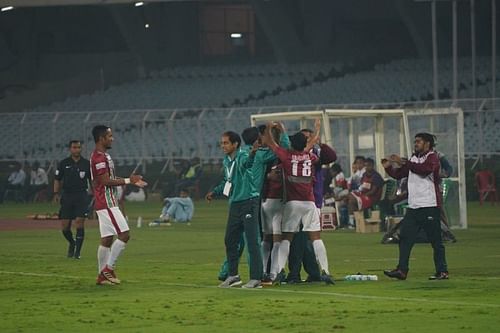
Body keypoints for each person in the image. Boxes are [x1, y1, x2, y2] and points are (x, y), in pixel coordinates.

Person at [262, 121, 335, 285]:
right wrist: (317, 128)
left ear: (291, 144)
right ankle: (326, 271)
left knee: (286, 238)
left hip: (292, 204)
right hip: (310, 203)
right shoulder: (310, 155)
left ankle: (279, 270)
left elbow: (270, 142)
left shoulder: (286, 156)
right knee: (316, 238)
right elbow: (312, 142)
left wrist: (271, 128)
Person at [383, 132, 449, 281]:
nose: (416, 144)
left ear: (427, 144)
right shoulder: (413, 158)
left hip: (429, 205)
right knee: (405, 238)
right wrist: (388, 167)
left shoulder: (433, 157)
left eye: (418, 141)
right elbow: (399, 175)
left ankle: (442, 271)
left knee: (436, 241)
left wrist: (404, 161)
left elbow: (424, 170)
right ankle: (402, 270)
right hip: (414, 207)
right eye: (415, 141)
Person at [206, 130, 263, 289]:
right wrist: (215, 192)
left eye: (225, 143)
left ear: (235, 144)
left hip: (249, 201)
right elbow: (227, 180)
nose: (222, 146)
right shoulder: (226, 161)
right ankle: (233, 276)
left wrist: (252, 154)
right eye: (222, 143)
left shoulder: (243, 155)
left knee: (252, 241)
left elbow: (247, 164)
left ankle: (256, 278)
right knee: (230, 239)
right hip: (236, 203)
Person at [90, 125, 147, 285]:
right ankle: (108, 269)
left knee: (107, 239)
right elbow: (104, 181)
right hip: (106, 202)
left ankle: (102, 276)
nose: (112, 138)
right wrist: (129, 181)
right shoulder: (98, 158)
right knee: (125, 234)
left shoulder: (103, 156)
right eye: (109, 136)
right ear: (101, 139)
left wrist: (130, 180)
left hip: (107, 202)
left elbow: (109, 178)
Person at [286, 125, 337, 284]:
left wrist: (320, 143)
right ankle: (314, 272)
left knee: (299, 239)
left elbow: (331, 156)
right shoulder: (296, 155)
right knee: (303, 239)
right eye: (305, 138)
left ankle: (296, 273)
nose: (307, 140)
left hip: (311, 201)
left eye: (309, 137)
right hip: (303, 200)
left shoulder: (314, 154)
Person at [54, 140, 91, 259]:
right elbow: (57, 179)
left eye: (79, 147)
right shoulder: (64, 163)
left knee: (79, 222)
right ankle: (72, 242)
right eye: (74, 147)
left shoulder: (86, 163)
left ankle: (77, 252)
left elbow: (92, 180)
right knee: (65, 226)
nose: (76, 150)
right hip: (67, 195)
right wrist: (56, 193)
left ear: (81, 149)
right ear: (70, 149)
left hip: (81, 195)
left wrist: (95, 192)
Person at [346, 158, 385, 226]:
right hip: (364, 195)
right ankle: (355, 221)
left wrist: (361, 196)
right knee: (348, 198)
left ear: (373, 166)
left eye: (369, 166)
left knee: (352, 200)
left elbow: (373, 191)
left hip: (372, 198)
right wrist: (359, 193)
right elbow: (363, 186)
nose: (367, 167)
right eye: (365, 166)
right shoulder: (364, 174)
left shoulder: (376, 176)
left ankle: (353, 221)